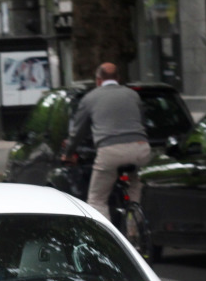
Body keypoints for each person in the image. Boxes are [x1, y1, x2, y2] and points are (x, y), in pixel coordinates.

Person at [64, 62, 152, 219]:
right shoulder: (132, 95)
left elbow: (77, 132)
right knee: (136, 188)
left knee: (97, 199)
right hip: (141, 149)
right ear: (118, 78)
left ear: (98, 80)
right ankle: (135, 231)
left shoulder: (90, 98)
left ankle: (107, 240)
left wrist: (68, 153)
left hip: (111, 152)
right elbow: (143, 122)